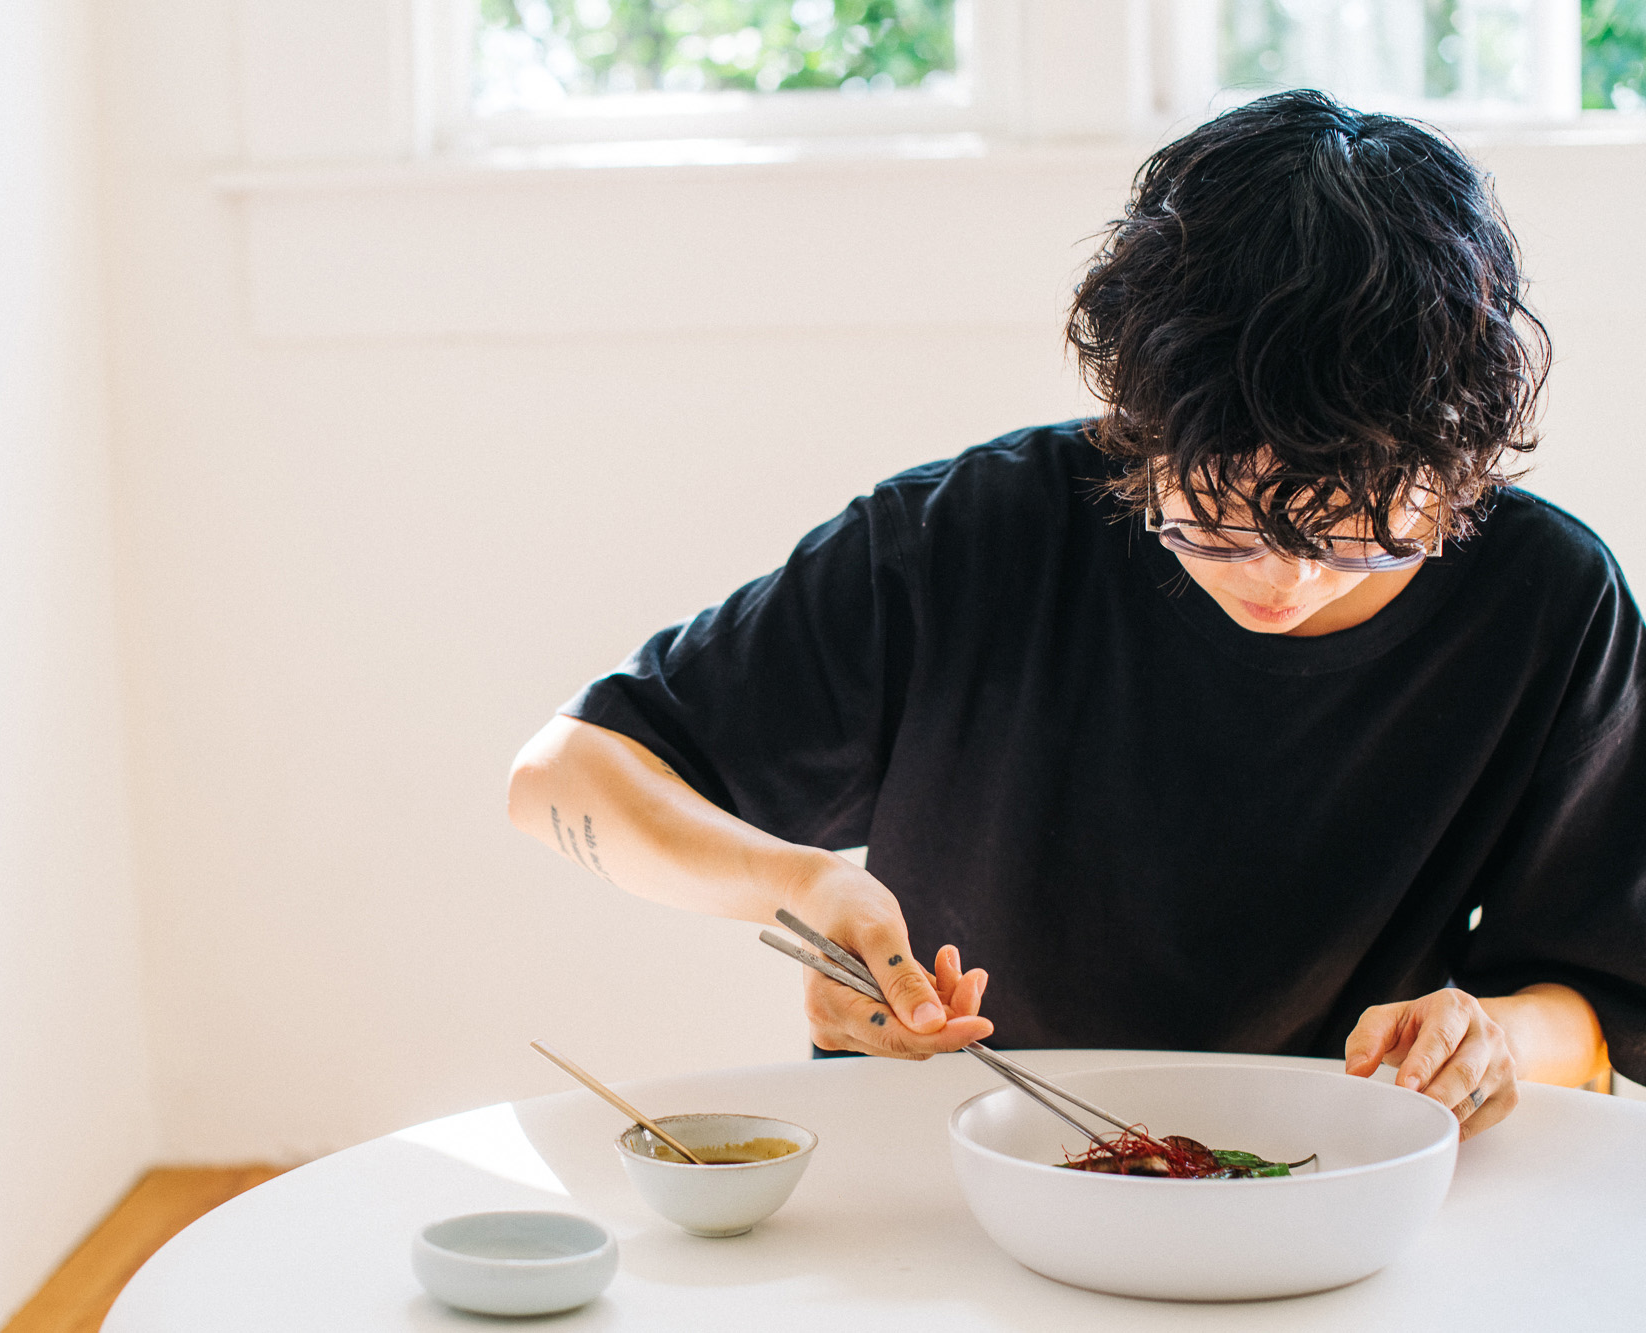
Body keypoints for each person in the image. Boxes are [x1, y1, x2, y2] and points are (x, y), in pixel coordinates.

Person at [506, 91, 1643, 1139]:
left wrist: (1492, 1042)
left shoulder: (1547, 601)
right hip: (948, 1162)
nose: (1282, 580)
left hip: (1342, 1175)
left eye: (1352, 534)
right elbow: (565, 774)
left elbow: (1603, 997)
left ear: (1456, 475)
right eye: (1213, 520)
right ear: (1135, 432)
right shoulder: (970, 539)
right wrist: (803, 886)